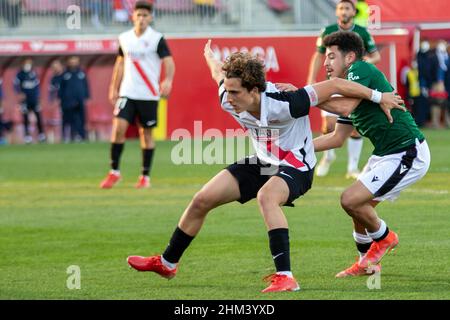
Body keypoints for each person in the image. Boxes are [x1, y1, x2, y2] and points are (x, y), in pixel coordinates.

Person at [125, 40, 404, 293]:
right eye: (228, 90)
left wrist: (379, 97)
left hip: (297, 166)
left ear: (255, 90)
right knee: (202, 200)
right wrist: (209, 56)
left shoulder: (287, 102)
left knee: (267, 197)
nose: (229, 98)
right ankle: (167, 262)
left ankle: (286, 277)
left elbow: (334, 87)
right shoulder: (228, 97)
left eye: (235, 92)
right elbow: (217, 75)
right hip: (265, 162)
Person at [312, 31, 430, 277]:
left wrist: (302, 98)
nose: (326, 62)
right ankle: (365, 264)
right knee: (357, 208)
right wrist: (298, 148)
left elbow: (343, 106)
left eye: (332, 56)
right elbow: (337, 138)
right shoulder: (353, 89)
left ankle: (386, 238)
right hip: (386, 154)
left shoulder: (359, 70)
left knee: (350, 200)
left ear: (350, 57)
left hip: (407, 151)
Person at [100, 1, 175, 189]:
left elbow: (169, 62)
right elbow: (119, 63)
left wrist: (168, 80)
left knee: (146, 134)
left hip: (149, 94)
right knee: (118, 128)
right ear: (133, 16)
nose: (141, 18)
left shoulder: (157, 38)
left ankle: (145, 176)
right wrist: (113, 87)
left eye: (145, 15)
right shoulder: (124, 38)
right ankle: (114, 172)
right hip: (128, 92)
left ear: (150, 18)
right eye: (138, 15)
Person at [307, 0, 381, 179]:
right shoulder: (328, 31)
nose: (343, 11)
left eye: (347, 8)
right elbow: (318, 56)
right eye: (340, 8)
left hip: (354, 83)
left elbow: (375, 56)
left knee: (354, 126)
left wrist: (360, 65)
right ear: (337, 12)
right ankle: (328, 156)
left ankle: (352, 166)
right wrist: (310, 79)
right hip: (332, 82)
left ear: (353, 11)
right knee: (330, 125)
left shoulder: (362, 32)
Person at [14, 58, 46, 144]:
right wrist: (20, 93)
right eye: (26, 63)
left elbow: (37, 87)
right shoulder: (20, 74)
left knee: (38, 116)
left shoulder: (34, 73)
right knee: (25, 117)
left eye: (29, 63)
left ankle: (41, 134)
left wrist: (38, 98)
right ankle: (27, 136)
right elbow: (16, 85)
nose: (28, 65)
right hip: (25, 100)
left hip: (34, 99)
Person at [58, 56, 90, 142]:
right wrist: (61, 99)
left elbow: (86, 86)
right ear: (68, 62)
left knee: (81, 118)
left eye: (75, 61)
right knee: (70, 119)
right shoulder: (65, 74)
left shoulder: (81, 73)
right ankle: (70, 136)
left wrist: (87, 96)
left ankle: (82, 136)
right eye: (72, 61)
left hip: (80, 100)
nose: (74, 62)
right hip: (68, 101)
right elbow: (61, 88)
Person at [49, 60, 64, 141]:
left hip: (67, 101)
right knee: (60, 119)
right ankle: (62, 136)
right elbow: (51, 91)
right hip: (58, 102)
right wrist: (52, 100)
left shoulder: (66, 76)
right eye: (53, 68)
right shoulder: (53, 79)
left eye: (56, 67)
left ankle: (74, 135)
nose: (55, 69)